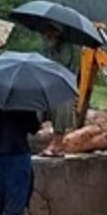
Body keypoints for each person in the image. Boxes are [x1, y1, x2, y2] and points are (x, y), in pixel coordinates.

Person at [41, 23, 79, 157]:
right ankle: (54, 143)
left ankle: (58, 144)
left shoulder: (66, 47)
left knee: (61, 113)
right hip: (52, 84)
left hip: (64, 85)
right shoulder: (49, 48)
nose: (47, 36)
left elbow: (62, 64)